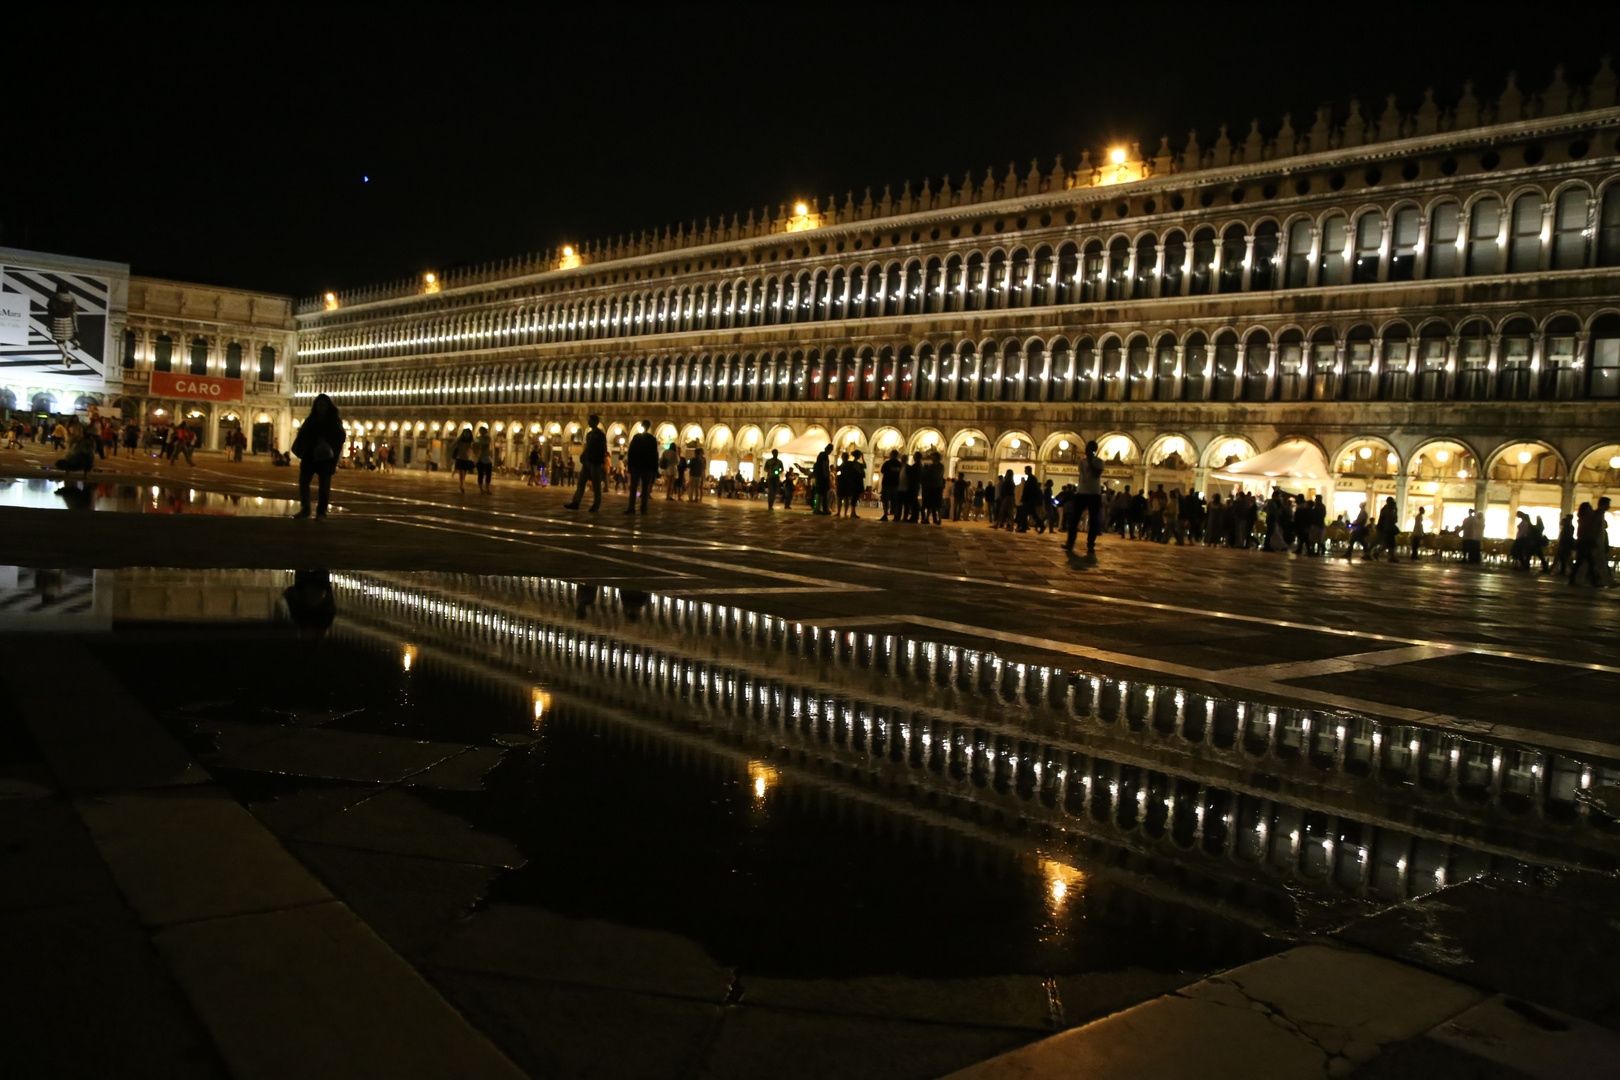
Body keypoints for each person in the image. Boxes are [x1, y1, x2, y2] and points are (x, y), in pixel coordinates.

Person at [291, 393, 343, 519]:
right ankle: (306, 508)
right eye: (319, 405)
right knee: (303, 483)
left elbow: (340, 437)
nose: (320, 407)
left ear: (328, 406)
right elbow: (303, 434)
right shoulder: (311, 419)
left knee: (324, 486)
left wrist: (326, 441)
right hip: (310, 456)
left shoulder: (333, 421)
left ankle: (321, 512)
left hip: (326, 458)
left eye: (323, 405)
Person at [1066, 439, 1105, 555]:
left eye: (1089, 448)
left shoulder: (1099, 462)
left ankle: (1090, 543)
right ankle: (1070, 542)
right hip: (1082, 492)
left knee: (1093, 520)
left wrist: (1090, 460)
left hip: (1094, 493)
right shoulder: (1081, 462)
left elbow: (1096, 474)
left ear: (1094, 450)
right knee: (1074, 519)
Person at [565, 414, 608, 511]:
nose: (589, 422)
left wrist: (601, 461)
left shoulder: (600, 435)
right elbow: (587, 447)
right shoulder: (589, 434)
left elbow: (603, 449)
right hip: (587, 462)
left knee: (596, 485)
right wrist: (584, 455)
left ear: (595, 422)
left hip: (595, 462)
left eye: (591, 420)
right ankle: (576, 502)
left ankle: (596, 505)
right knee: (581, 482)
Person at [625, 419, 659, 514]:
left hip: (636, 465)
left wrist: (630, 465)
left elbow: (630, 452)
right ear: (649, 427)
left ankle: (631, 508)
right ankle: (643, 509)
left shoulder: (636, 438)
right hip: (647, 466)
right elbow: (654, 455)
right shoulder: (652, 439)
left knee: (633, 487)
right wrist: (655, 468)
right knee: (645, 488)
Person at [921, 451, 946, 524]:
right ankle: (927, 518)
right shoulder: (931, 466)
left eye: (933, 456)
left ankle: (939, 519)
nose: (932, 458)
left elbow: (937, 476)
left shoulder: (940, 466)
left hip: (937, 487)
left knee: (938, 504)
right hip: (931, 487)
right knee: (929, 504)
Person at [879, 450, 902, 521]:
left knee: (886, 500)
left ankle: (885, 514)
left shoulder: (887, 463)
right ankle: (896, 516)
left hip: (887, 484)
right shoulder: (899, 464)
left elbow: (882, 471)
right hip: (896, 484)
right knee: (895, 501)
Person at [451, 426, 475, 492]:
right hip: (459, 456)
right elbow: (453, 444)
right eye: (465, 433)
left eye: (468, 433)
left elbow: (472, 448)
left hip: (466, 457)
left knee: (465, 472)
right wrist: (458, 440)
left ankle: (461, 483)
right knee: (461, 472)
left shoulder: (470, 441)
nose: (466, 434)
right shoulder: (460, 440)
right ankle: (461, 484)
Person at [473, 425, 494, 494]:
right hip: (480, 458)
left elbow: (490, 447)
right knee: (481, 474)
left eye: (484, 431)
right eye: (482, 431)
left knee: (488, 474)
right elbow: (475, 447)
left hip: (487, 457)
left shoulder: (488, 438)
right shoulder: (478, 439)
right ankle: (481, 488)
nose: (483, 433)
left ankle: (487, 487)